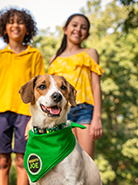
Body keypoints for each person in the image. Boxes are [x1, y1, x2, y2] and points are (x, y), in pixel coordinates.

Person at [0, 8, 45, 185]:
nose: (15, 25)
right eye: (11, 22)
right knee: (2, 162)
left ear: (27, 29)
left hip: (25, 114)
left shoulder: (35, 55)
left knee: (22, 162)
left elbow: (39, 91)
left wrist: (33, 119)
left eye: (20, 22)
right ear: (4, 28)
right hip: (0, 114)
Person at [48, 13, 103, 159]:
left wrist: (97, 117)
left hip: (85, 110)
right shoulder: (54, 60)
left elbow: (96, 87)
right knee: (68, 162)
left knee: (87, 162)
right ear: (65, 29)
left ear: (87, 34)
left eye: (83, 27)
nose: (78, 29)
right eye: (75, 25)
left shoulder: (90, 53)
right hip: (61, 113)